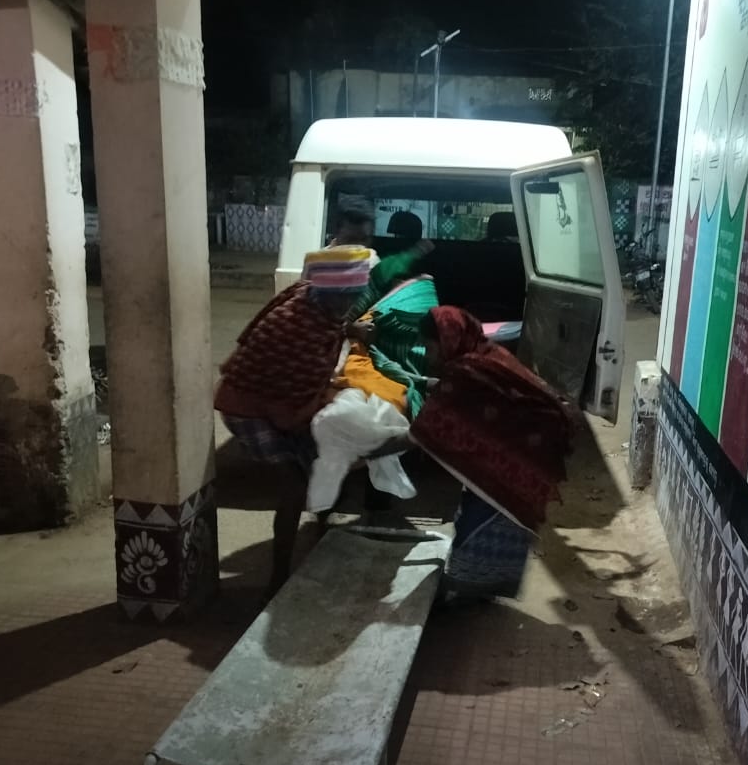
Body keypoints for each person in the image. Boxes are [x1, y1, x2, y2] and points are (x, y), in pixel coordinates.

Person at [215, 247, 374, 593]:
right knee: (294, 485)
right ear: (330, 293)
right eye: (346, 297)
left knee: (329, 456)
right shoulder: (292, 326)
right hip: (247, 407)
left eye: (355, 296)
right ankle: (278, 576)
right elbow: (288, 407)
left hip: (281, 400)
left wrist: (353, 331)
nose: (351, 303)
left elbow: (334, 330)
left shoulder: (317, 302)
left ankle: (321, 527)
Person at [409, 306, 575, 530]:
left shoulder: (464, 372)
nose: (427, 356)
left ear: (448, 340)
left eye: (429, 348)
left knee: (484, 530)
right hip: (535, 449)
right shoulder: (488, 353)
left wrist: (374, 445)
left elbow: (426, 428)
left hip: (516, 467)